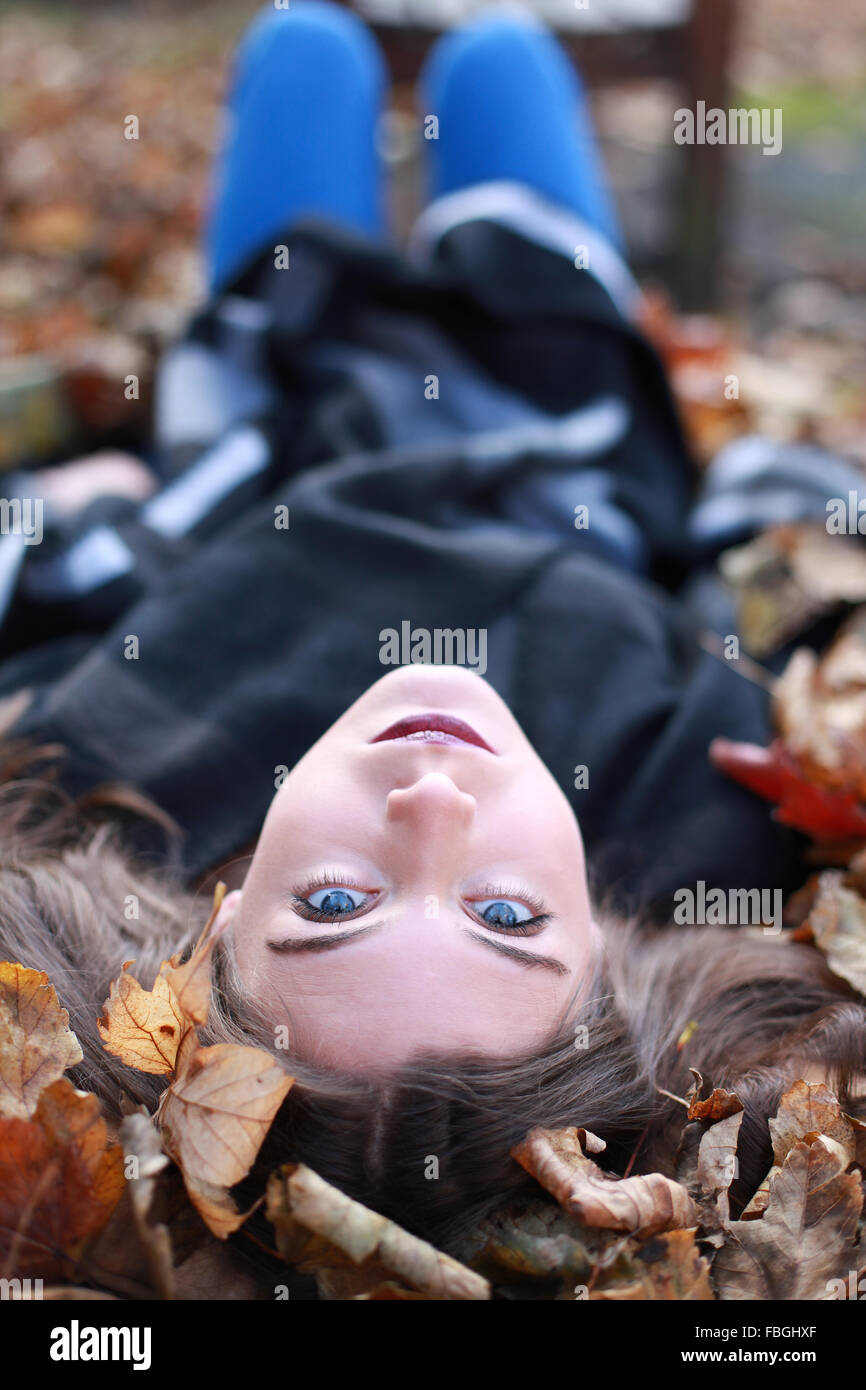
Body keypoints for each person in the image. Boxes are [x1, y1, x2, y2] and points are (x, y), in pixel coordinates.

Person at [1, 3, 864, 1271]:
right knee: (500, 51)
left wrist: (88, 517)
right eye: (507, 914)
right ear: (604, 959)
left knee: (306, 43)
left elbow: (67, 571)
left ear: (220, 919)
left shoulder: (105, 750)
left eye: (337, 901)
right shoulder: (715, 802)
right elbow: (764, 564)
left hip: (294, 388)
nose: (432, 802)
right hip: (551, 401)